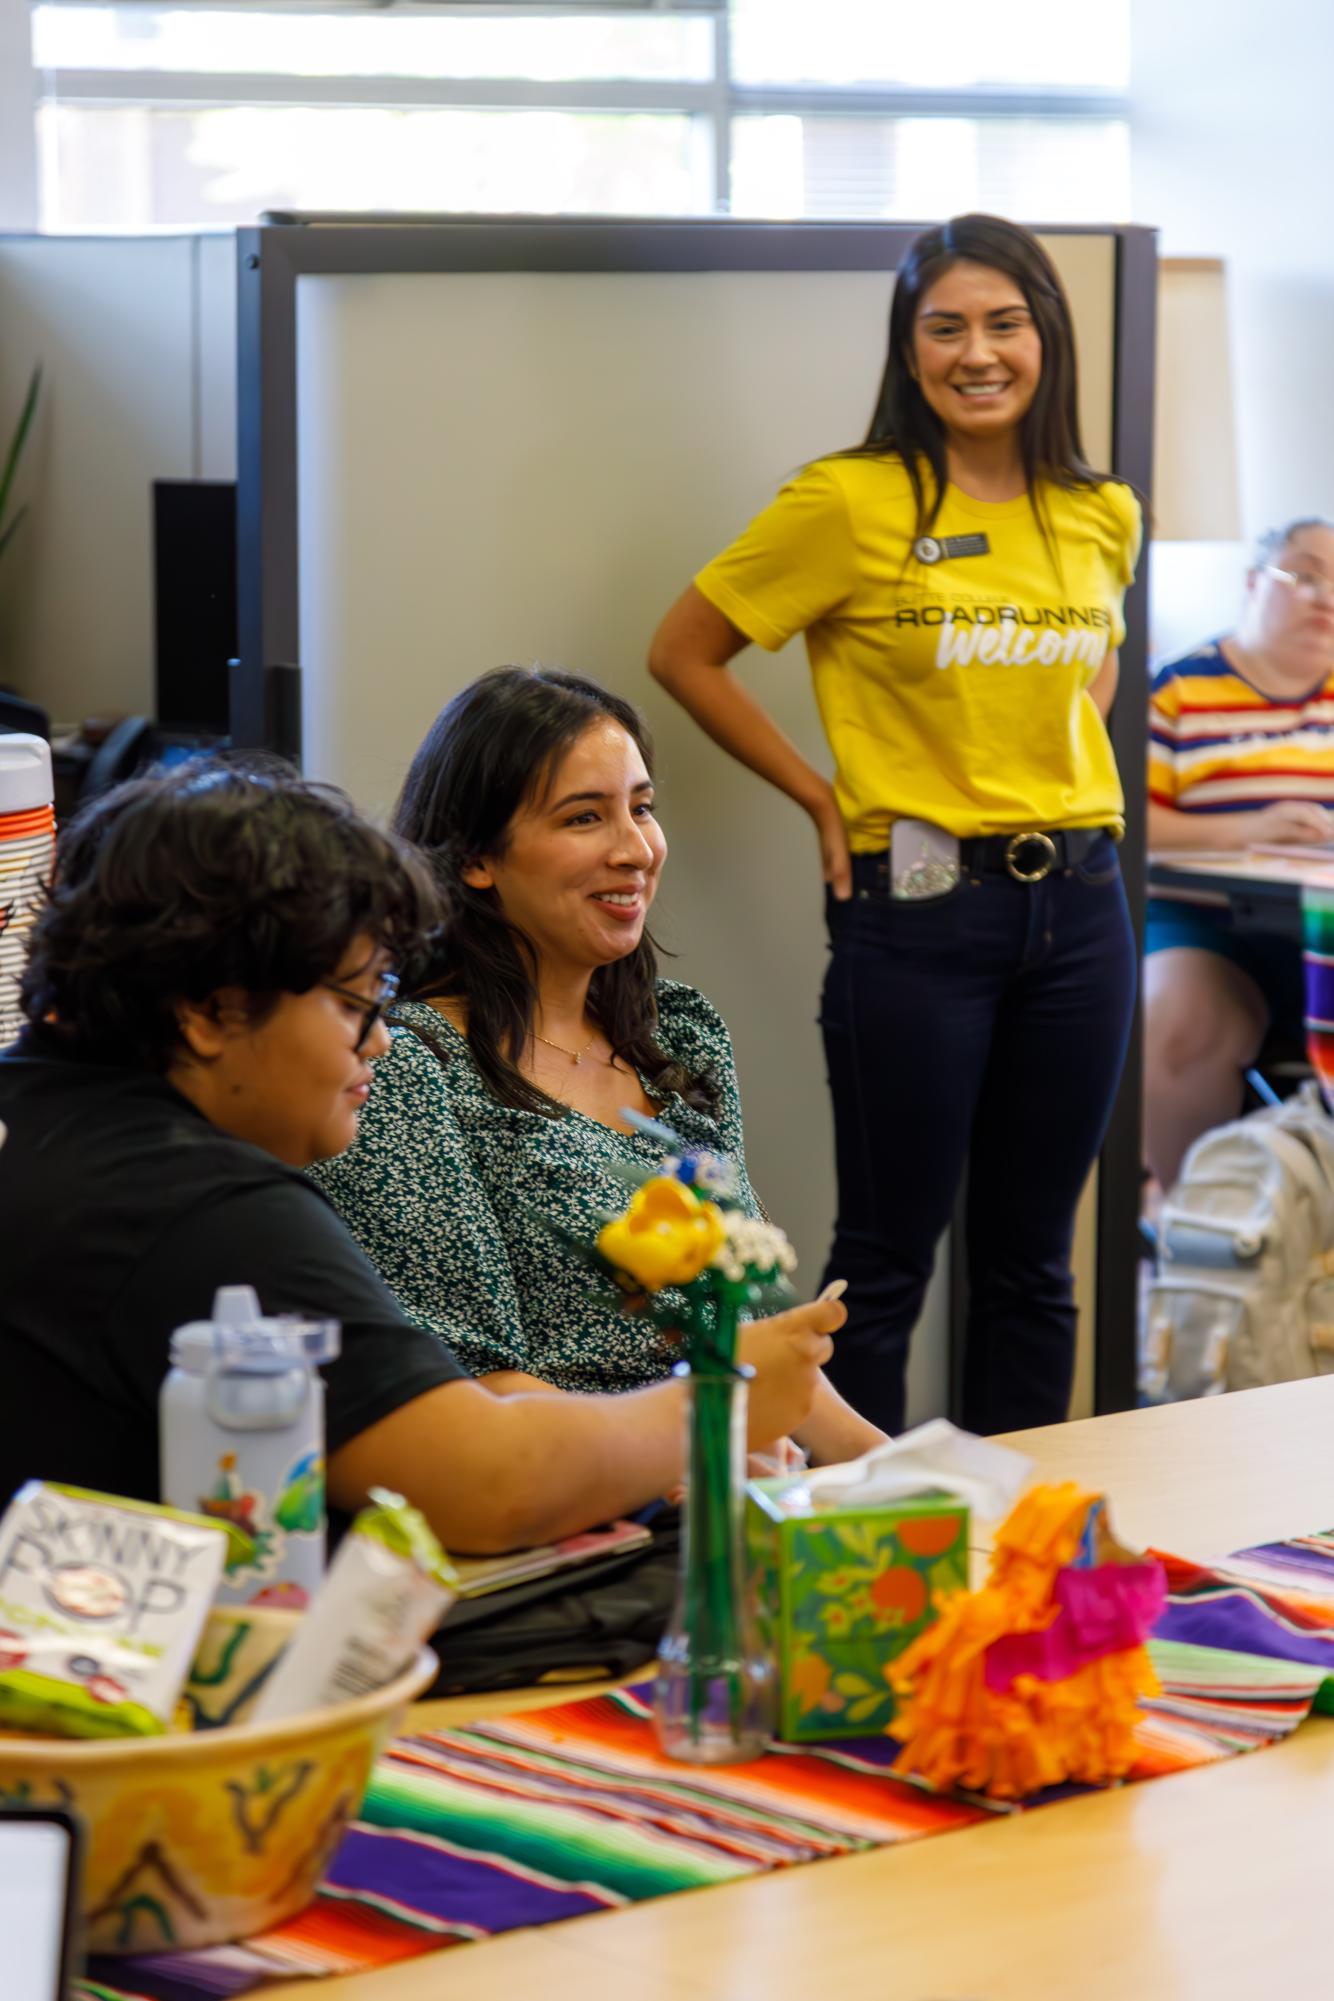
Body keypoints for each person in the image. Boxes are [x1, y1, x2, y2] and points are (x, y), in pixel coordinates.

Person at [0, 760, 845, 1552]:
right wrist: (718, 1407)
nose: (377, 1044)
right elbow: (480, 1481)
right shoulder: (198, 1205)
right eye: (356, 1004)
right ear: (213, 1011)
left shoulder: (43, 1111)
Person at [648, 212, 1142, 1437]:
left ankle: (1012, 1543)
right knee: (883, 1259)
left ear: (1045, 339)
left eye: (1003, 323)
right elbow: (684, 651)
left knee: (1033, 1262)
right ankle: (857, 1552)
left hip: (1080, 906)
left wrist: (1053, 742)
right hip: (918, 911)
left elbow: (1090, 662)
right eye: (945, 328)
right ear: (908, 349)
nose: (977, 353)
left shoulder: (1098, 510)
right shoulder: (850, 501)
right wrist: (822, 797)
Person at [310, 667, 881, 1466]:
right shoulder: (407, 1067)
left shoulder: (679, 1036)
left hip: (723, 1485)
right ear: (476, 858)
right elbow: (464, 1385)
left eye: (642, 808)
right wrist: (688, 1446)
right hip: (561, 1510)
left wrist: (911, 1474)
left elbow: (744, 1335)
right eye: (585, 817)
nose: (637, 849)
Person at [1143, 517, 1334, 1187]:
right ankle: (1194, 1228)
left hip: (1324, 927)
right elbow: (1129, 822)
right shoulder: (1177, 689)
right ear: (1253, 583)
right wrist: (1246, 828)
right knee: (1180, 1021)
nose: (1325, 597)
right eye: (1306, 574)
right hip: (1206, 922)